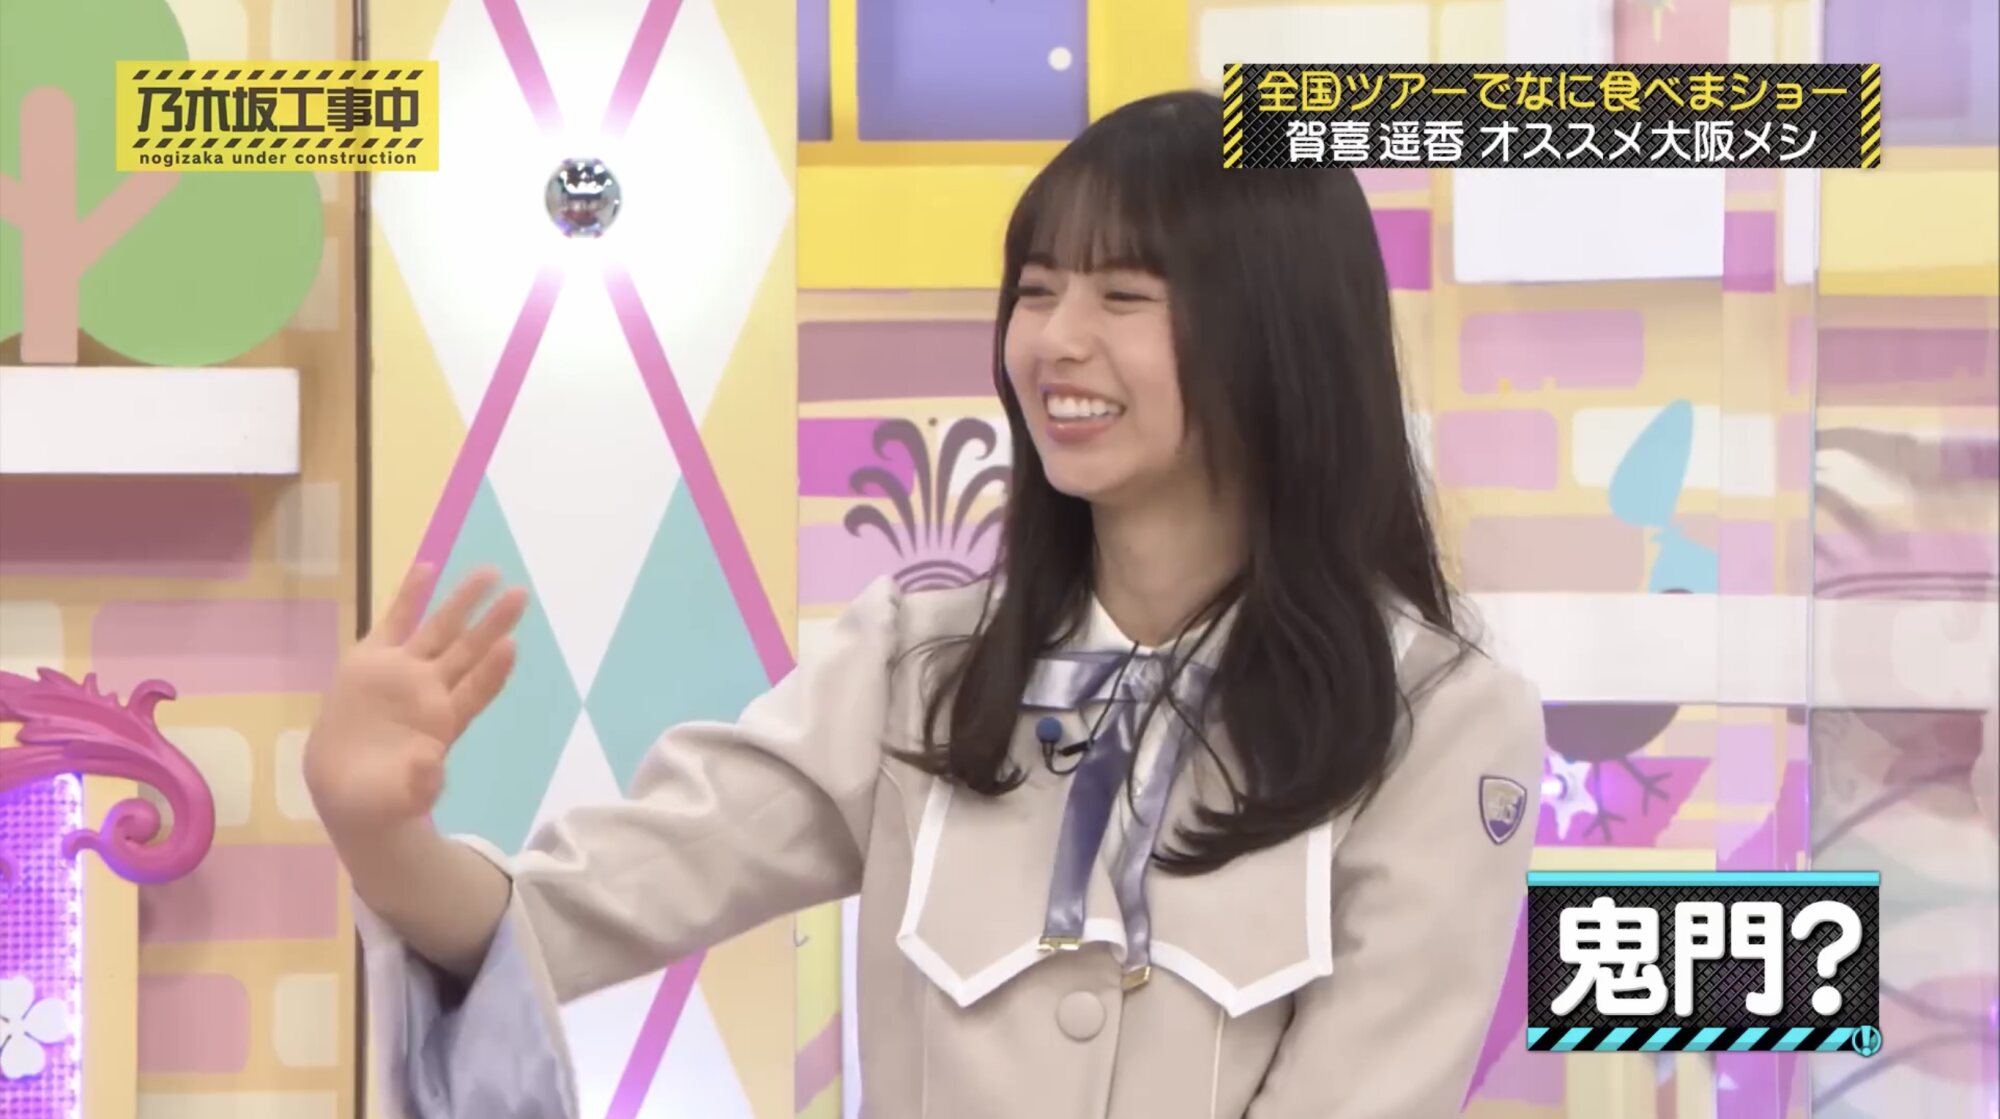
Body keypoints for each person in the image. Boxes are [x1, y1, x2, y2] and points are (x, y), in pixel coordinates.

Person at [306, 89, 1546, 1119]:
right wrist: (382, 836)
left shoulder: (1438, 721)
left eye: (1121, 297)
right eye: (1035, 290)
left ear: (1278, 338)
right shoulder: (918, 666)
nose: (1053, 341)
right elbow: (582, 908)